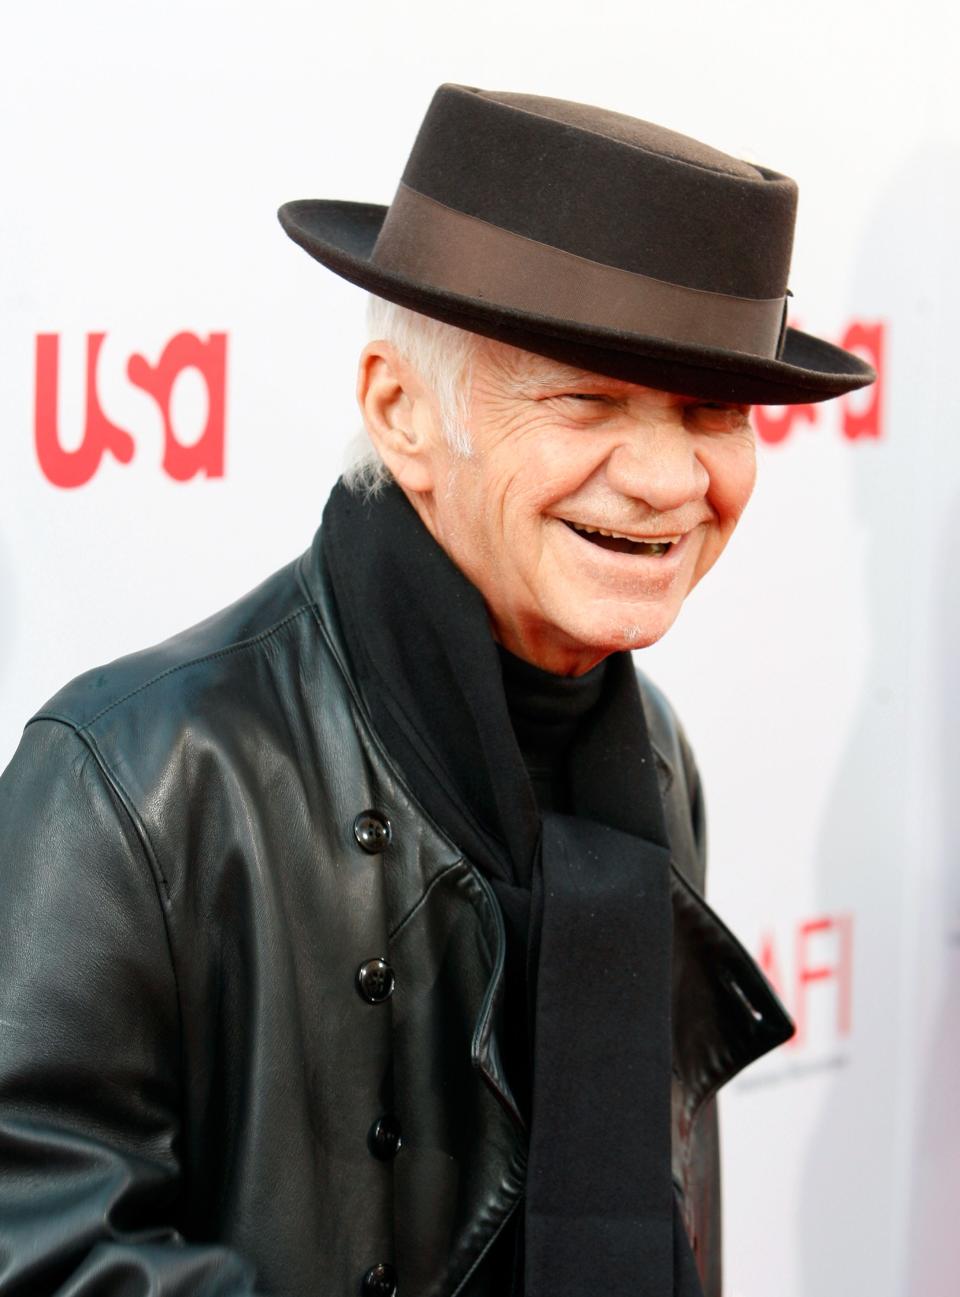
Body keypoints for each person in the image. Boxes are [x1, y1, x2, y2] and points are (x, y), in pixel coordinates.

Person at [0, 85, 874, 1297]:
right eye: (590, 401)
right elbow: (28, 1242)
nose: (674, 478)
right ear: (401, 411)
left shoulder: (654, 754)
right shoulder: (138, 774)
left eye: (712, 410)